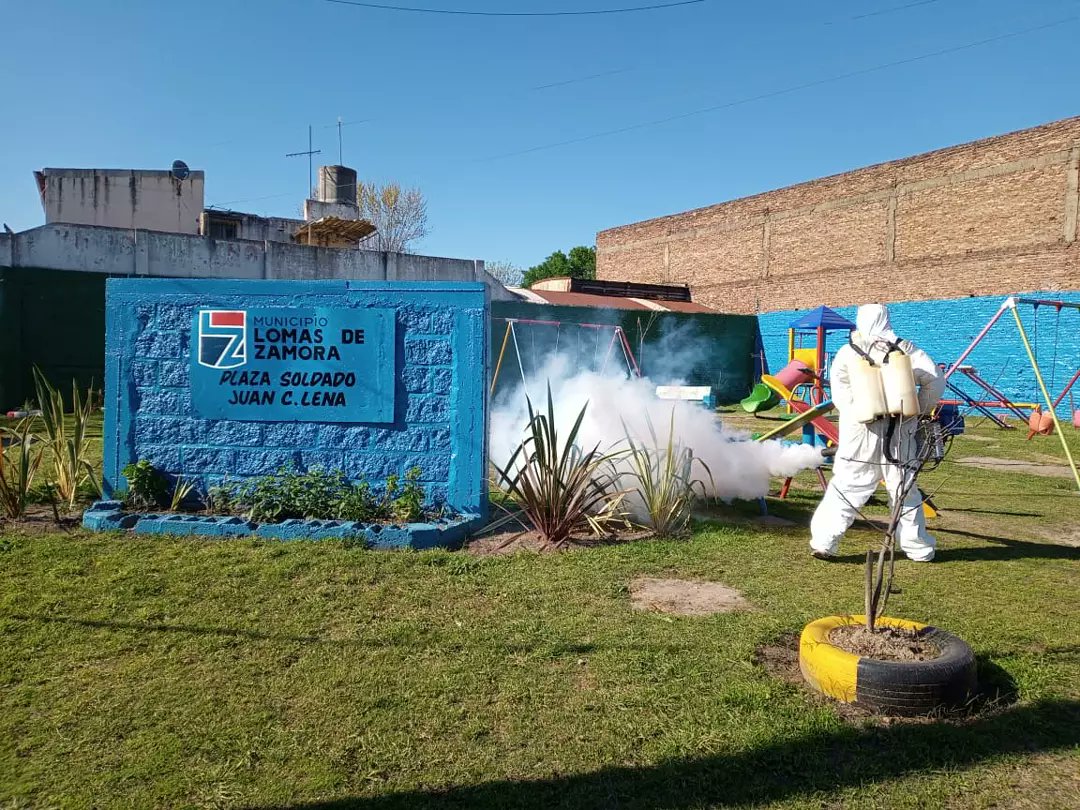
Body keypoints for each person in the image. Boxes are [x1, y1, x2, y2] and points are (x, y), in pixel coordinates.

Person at [810, 304, 945, 562]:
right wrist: (918, 409)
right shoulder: (907, 350)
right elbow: (936, 381)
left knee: (847, 486)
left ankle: (824, 543)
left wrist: (858, 413)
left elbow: (840, 391)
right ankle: (919, 549)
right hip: (900, 432)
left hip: (860, 433)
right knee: (904, 489)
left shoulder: (848, 352)